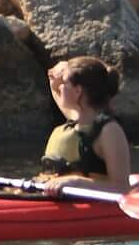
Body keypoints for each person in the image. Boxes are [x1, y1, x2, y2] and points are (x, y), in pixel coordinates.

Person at [38, 56, 134, 193]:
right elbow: (58, 94)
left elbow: (122, 187)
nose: (59, 88)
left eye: (64, 83)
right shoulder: (76, 123)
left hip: (87, 206)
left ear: (78, 91)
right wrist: (57, 77)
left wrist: (75, 181)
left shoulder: (109, 131)